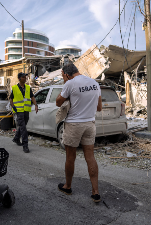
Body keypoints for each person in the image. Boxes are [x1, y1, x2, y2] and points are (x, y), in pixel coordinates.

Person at [56, 63, 102, 203]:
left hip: (74, 124)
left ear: (66, 74)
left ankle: (68, 186)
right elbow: (99, 107)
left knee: (70, 157)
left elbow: (58, 102)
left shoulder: (70, 83)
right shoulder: (94, 83)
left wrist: (65, 83)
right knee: (90, 157)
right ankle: (95, 192)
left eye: (63, 75)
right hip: (90, 124)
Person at [10, 72, 38, 153]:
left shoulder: (28, 87)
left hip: (26, 110)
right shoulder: (14, 88)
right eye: (23, 77)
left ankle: (16, 138)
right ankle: (25, 145)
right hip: (19, 111)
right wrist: (13, 107)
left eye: (25, 77)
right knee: (23, 128)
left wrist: (36, 105)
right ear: (19, 78)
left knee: (23, 126)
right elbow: (11, 99)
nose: (25, 79)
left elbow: (32, 96)